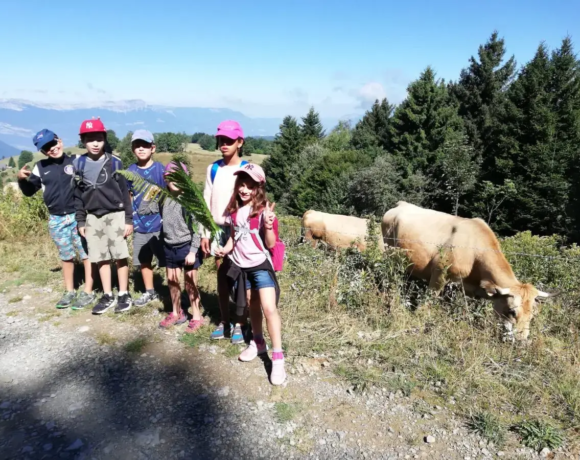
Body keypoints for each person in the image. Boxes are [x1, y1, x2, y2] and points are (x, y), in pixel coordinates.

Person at [214, 163, 286, 385]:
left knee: (269, 308)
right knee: (251, 305)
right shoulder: (235, 212)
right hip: (242, 267)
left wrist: (268, 225)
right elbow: (234, 237)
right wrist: (225, 249)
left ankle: (277, 357)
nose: (244, 189)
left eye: (250, 185)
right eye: (241, 184)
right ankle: (257, 342)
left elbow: (271, 243)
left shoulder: (264, 212)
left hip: (261, 266)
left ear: (259, 187)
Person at [17, 129, 95, 310]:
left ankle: (88, 291)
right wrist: (20, 180)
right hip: (56, 219)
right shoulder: (40, 167)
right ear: (42, 152)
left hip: (78, 216)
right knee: (66, 256)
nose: (52, 149)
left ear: (60, 141)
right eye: (46, 148)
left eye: (53, 144)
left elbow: (98, 157)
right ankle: (69, 291)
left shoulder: (75, 160)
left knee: (86, 254)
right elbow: (29, 192)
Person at [73, 118, 133, 315]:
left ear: (105, 139)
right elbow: (77, 194)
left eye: (99, 139)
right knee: (100, 257)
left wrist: (128, 219)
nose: (95, 143)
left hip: (116, 214)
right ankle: (108, 294)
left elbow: (125, 192)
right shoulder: (78, 164)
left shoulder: (115, 162)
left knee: (120, 255)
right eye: (90, 140)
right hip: (92, 217)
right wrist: (81, 220)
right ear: (83, 141)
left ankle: (124, 293)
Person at [200, 120, 250, 344]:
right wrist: (205, 233)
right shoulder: (213, 169)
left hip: (240, 231)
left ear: (240, 142)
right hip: (217, 230)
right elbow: (205, 202)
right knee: (222, 278)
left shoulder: (247, 169)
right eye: (221, 140)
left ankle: (240, 322)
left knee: (241, 279)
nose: (224, 144)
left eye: (229, 140)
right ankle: (225, 320)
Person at [159, 161, 203, 331]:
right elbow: (148, 210)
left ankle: (197, 315)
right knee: (172, 281)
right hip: (169, 246)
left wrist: (193, 251)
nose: (174, 181)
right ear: (165, 179)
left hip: (186, 246)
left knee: (190, 284)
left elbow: (198, 228)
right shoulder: (164, 198)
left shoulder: (189, 200)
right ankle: (177, 312)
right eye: (171, 178)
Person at [126, 130, 166, 306]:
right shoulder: (130, 171)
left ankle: (175, 291)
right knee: (144, 261)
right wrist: (129, 219)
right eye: (137, 145)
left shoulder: (160, 170)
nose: (141, 149)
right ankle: (150, 291)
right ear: (133, 149)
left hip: (160, 225)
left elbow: (167, 196)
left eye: (145, 145)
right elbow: (128, 196)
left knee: (168, 261)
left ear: (153, 148)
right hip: (139, 225)